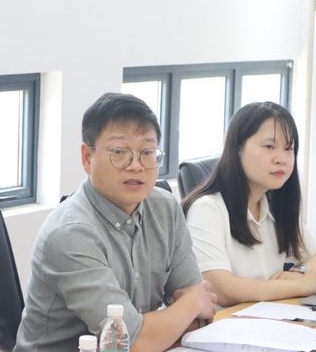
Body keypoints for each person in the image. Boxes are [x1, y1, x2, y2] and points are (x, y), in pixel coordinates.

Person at [14, 93, 217, 352]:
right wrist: (188, 306)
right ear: (87, 157)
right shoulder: (70, 233)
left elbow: (201, 314)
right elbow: (130, 342)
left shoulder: (165, 207)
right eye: (119, 152)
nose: (136, 166)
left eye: (147, 152)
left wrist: (183, 313)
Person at [183, 102, 316, 307]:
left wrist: (300, 273)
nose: (282, 159)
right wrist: (300, 286)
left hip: (267, 317)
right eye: (269, 147)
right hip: (223, 322)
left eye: (288, 148)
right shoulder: (207, 209)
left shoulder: (276, 205)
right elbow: (222, 290)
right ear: (237, 148)